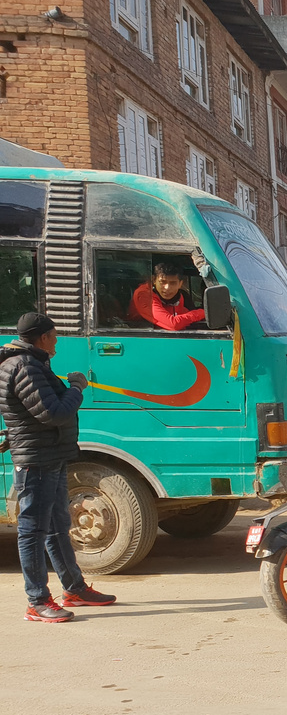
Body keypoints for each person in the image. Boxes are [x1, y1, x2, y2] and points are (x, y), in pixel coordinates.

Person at [0, 312, 116, 621]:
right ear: (41, 338)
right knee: (33, 531)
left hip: (50, 456)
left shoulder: (34, 363)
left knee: (56, 528)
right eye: (54, 335)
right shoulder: (24, 367)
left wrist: (71, 389)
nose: (57, 341)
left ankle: (74, 588)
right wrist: (77, 388)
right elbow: (53, 414)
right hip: (35, 460)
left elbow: (50, 404)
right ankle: (37, 601)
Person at [127, 261, 206, 331]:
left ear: (180, 284)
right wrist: (203, 313)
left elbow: (184, 320)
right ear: (154, 280)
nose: (167, 288)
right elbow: (173, 324)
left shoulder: (180, 296)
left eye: (173, 283)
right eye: (162, 282)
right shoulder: (143, 294)